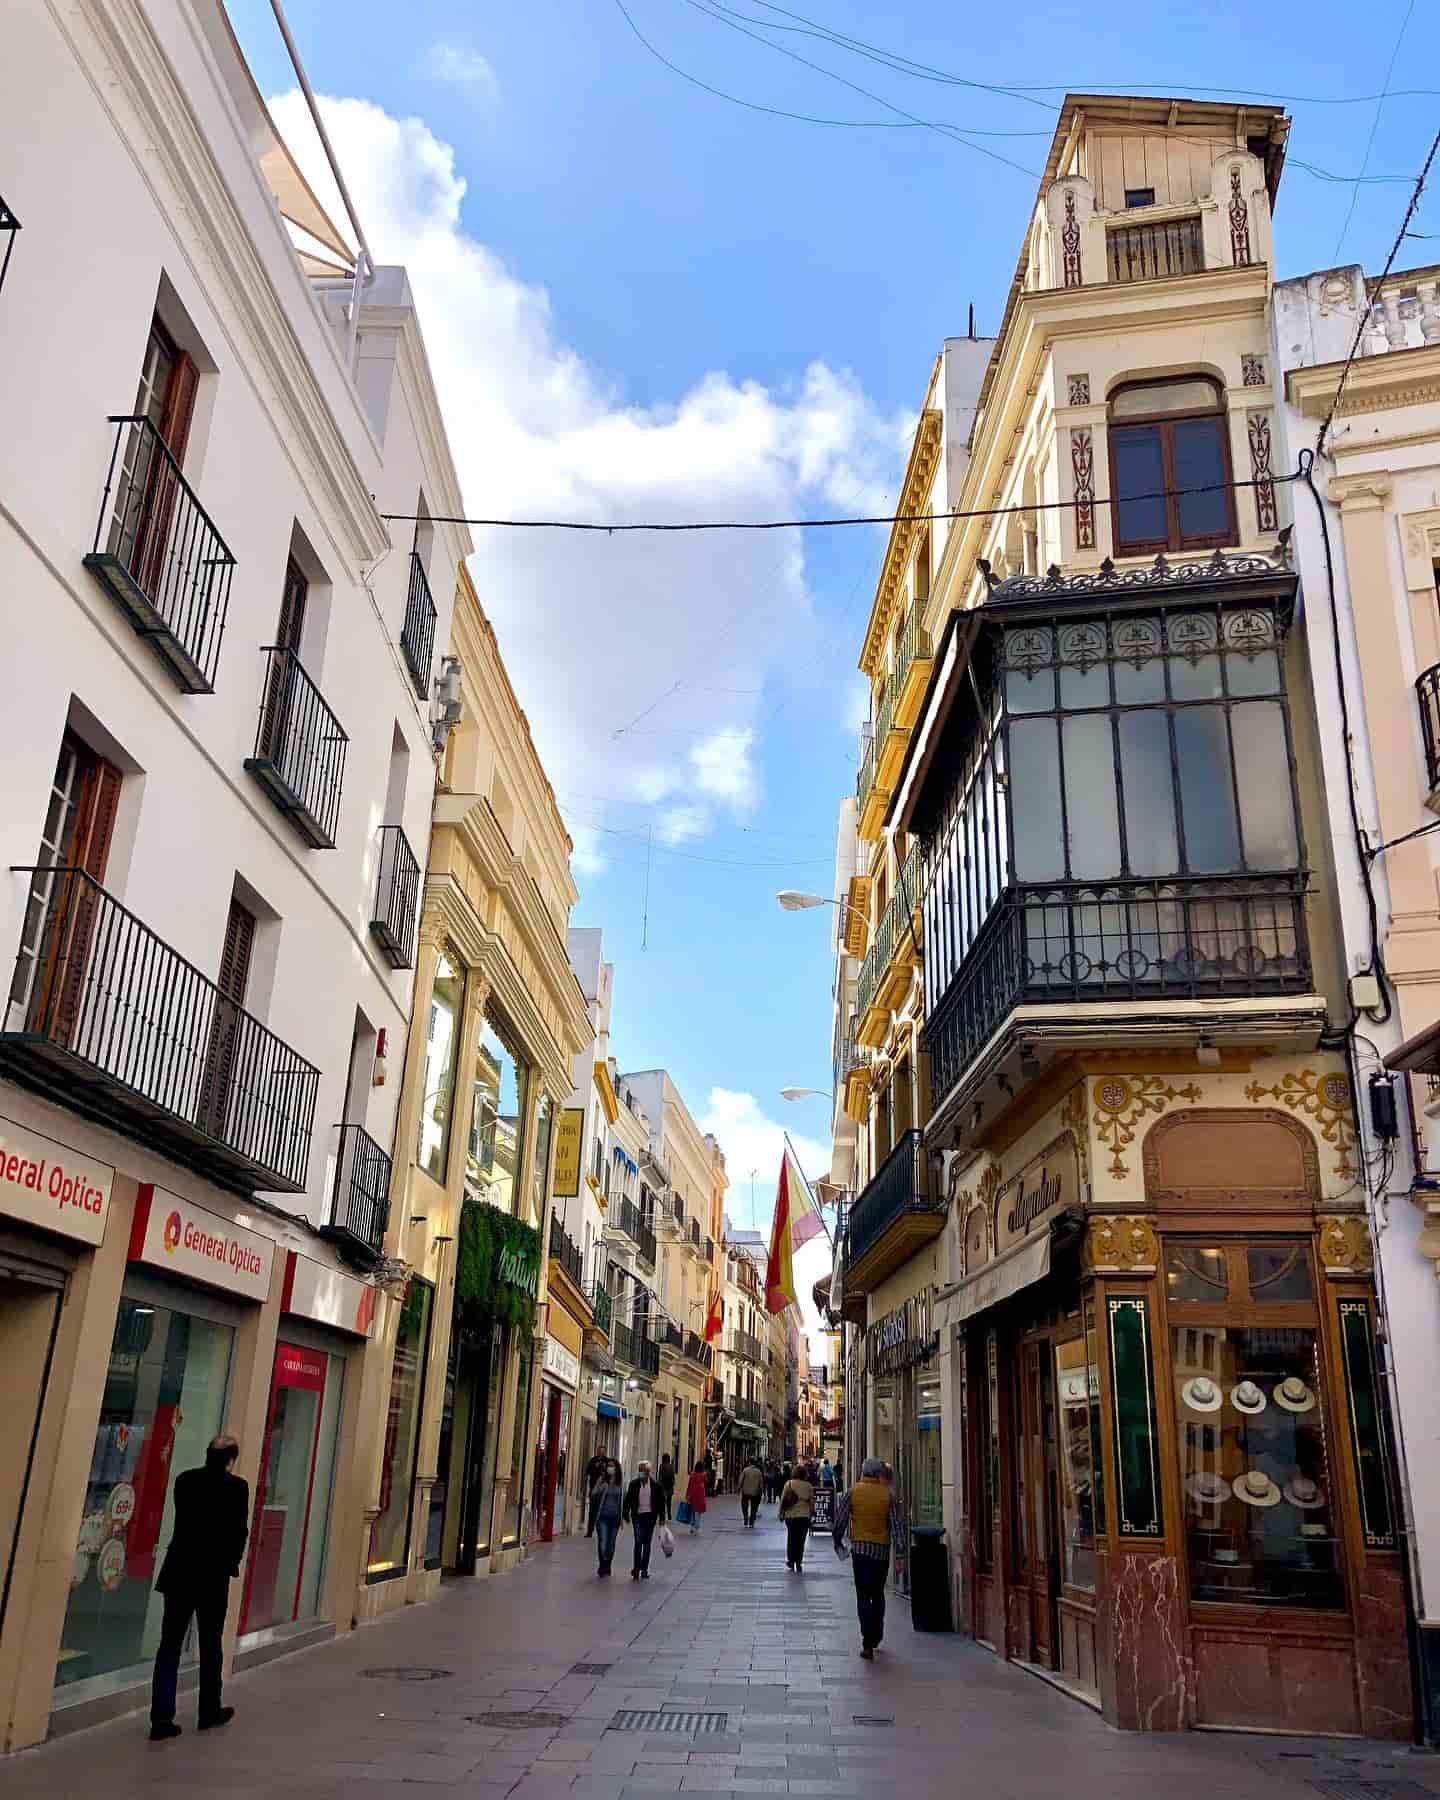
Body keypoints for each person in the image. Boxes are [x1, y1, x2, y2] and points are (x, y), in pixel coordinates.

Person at [149, 1434, 249, 1741]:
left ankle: (161, 1718)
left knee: (170, 1645)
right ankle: (209, 1711)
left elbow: (184, 1521)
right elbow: (238, 1532)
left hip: (179, 1572)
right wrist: (231, 1562)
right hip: (212, 1577)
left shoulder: (185, 1481)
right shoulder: (237, 1488)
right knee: (210, 1643)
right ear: (231, 1459)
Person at [834, 1456, 908, 1659]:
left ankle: (867, 1640)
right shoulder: (888, 1495)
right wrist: (900, 1552)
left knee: (863, 1595)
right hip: (881, 1552)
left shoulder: (853, 1492)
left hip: (860, 1552)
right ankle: (877, 1634)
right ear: (879, 1475)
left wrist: (837, 1541)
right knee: (878, 1593)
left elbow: (840, 1520)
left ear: (864, 1472)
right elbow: (897, 1527)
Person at [623, 1458, 669, 1579]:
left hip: (650, 1516)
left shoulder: (656, 1486)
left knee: (647, 1543)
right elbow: (628, 1500)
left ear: (649, 1472)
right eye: (640, 1470)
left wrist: (662, 1517)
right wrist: (625, 1514)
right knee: (638, 1542)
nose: (642, 1472)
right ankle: (636, 1568)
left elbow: (661, 1502)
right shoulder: (633, 1484)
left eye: (644, 1470)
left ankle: (644, 1569)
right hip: (637, 1516)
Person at [779, 1459, 815, 1572]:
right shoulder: (808, 1486)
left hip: (790, 1516)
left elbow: (783, 1499)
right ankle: (798, 1561)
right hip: (804, 1517)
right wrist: (812, 1513)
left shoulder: (789, 1484)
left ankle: (791, 1560)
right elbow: (811, 1502)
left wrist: (781, 1512)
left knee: (791, 1538)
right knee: (801, 1540)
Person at [593, 1461, 624, 1576]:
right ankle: (602, 1565)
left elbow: (622, 1501)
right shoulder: (603, 1480)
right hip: (603, 1517)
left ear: (616, 1468)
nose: (610, 1468)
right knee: (603, 1542)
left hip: (615, 1518)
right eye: (608, 1466)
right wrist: (600, 1485)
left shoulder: (620, 1483)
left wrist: (622, 1517)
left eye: (612, 1466)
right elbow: (593, 1493)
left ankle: (607, 1565)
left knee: (611, 1544)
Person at [585, 1450, 612, 1536]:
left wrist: (605, 1468)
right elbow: (588, 1471)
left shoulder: (608, 1461)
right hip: (594, 1489)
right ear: (597, 1452)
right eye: (600, 1452)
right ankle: (590, 1531)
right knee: (592, 1511)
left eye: (603, 1452)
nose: (601, 1454)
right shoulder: (593, 1460)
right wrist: (595, 1467)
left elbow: (610, 1475)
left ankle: (602, 1530)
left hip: (604, 1491)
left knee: (602, 1512)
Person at [683, 1460, 708, 1534]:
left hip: (693, 1493)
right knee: (699, 1512)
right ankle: (697, 1526)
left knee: (693, 1511)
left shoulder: (692, 1474)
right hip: (700, 1494)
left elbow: (689, 1485)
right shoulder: (703, 1475)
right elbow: (706, 1482)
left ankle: (692, 1527)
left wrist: (687, 1495)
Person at [739, 1456, 764, 1527]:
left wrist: (739, 1488)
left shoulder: (745, 1470)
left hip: (745, 1492)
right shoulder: (758, 1472)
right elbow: (761, 1483)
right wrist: (761, 1491)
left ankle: (745, 1519)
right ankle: (751, 1522)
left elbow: (741, 1480)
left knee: (744, 1505)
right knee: (754, 1507)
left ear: (749, 1462)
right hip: (755, 1492)